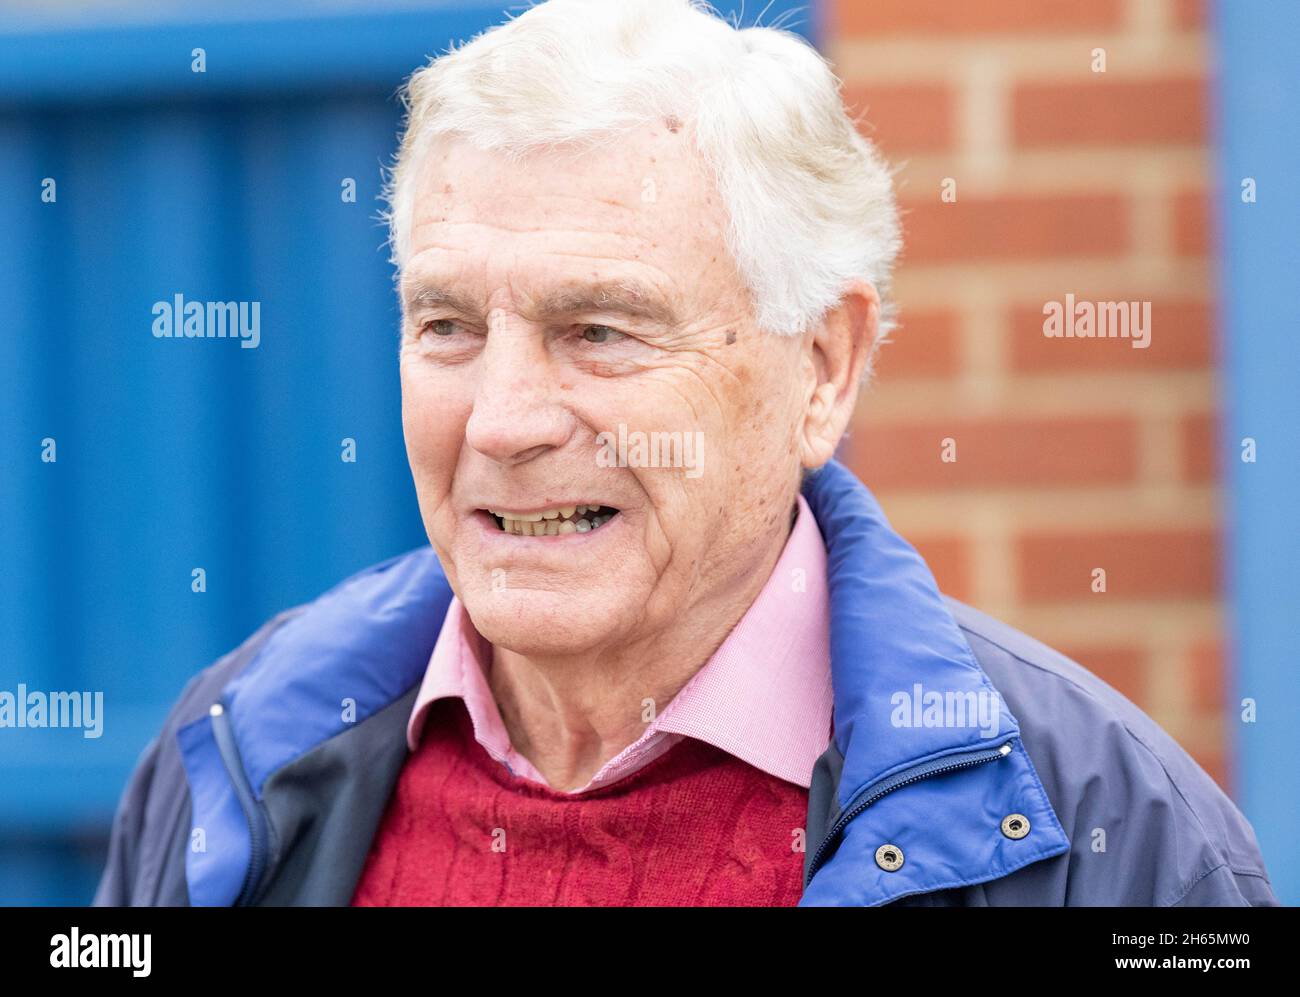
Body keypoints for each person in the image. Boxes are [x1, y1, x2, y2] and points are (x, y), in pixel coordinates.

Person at [94, 0, 1278, 906]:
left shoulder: (1113, 827)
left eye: (598, 331)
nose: (504, 420)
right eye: (447, 325)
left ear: (822, 365)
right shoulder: (237, 750)